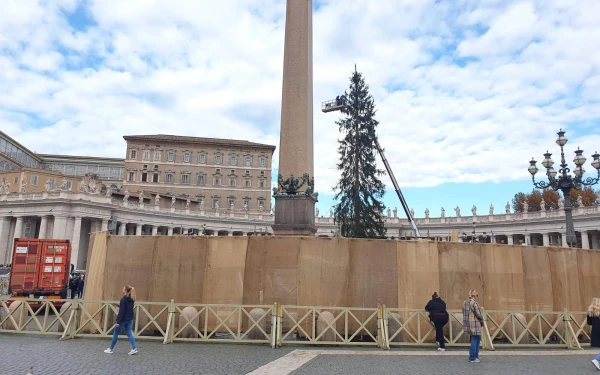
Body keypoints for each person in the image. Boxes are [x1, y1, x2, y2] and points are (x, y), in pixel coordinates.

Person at [104, 285, 138, 355]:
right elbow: (128, 308)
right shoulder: (132, 299)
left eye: (123, 289)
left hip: (123, 319)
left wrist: (118, 321)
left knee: (116, 333)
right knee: (129, 334)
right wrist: (120, 306)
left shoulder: (123, 299)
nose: (122, 290)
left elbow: (122, 311)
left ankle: (110, 349)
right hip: (130, 319)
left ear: (125, 291)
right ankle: (134, 348)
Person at [463, 289, 484, 363]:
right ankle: (473, 357)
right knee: (476, 340)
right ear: (475, 295)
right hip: (475, 323)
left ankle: (474, 357)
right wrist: (482, 320)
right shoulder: (475, 303)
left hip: (468, 323)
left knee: (474, 339)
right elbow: (478, 314)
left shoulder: (465, 302)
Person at [588, 297, 600, 370]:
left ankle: (597, 360)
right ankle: (597, 359)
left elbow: (589, 323)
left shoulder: (590, 312)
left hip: (595, 331)